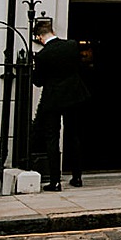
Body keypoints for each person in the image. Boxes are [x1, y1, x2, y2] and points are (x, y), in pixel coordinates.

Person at [30, 17, 90, 191]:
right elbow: (80, 67)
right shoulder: (71, 45)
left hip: (53, 100)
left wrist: (35, 68)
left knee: (52, 138)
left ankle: (55, 181)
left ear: (39, 37)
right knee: (74, 135)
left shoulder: (42, 55)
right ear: (52, 31)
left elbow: (38, 82)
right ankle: (77, 177)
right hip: (74, 96)